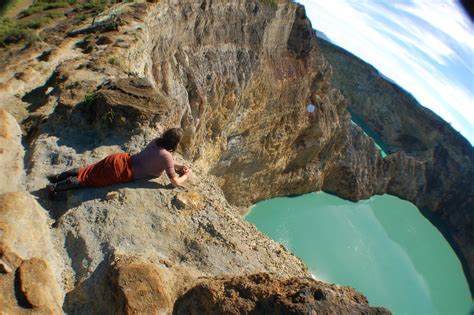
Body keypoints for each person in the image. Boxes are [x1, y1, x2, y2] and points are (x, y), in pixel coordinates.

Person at [46, 128, 192, 194]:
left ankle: (56, 178)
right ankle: (54, 188)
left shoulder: (156, 141)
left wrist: (178, 167)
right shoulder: (166, 156)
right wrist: (186, 175)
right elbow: (175, 183)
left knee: (87, 170)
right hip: (123, 171)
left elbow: (162, 161)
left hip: (120, 158)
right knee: (88, 180)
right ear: (175, 144)